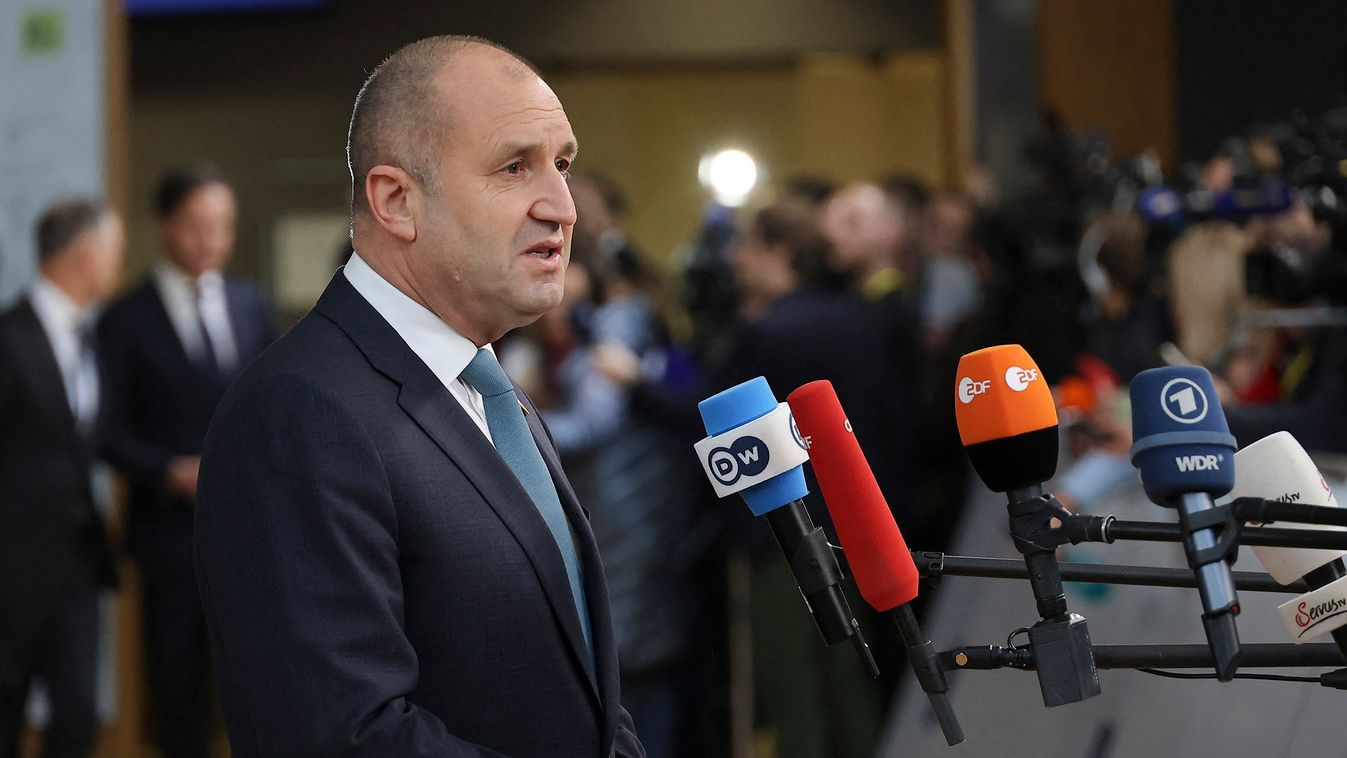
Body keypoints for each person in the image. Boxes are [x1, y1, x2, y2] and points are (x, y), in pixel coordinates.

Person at [193, 36, 645, 756]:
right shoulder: (297, 413)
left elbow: (580, 691)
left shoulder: (493, 388)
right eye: (513, 167)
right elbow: (341, 736)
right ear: (397, 201)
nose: (562, 207)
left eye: (561, 164)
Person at [98, 165, 275, 758]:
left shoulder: (250, 304)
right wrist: (166, 470)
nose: (210, 242)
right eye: (197, 227)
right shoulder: (124, 318)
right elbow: (106, 429)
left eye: (221, 227)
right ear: (164, 226)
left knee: (256, 676)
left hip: (248, 527)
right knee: (177, 683)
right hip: (167, 532)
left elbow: (274, 403)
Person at [0, 198, 123, 758]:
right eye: (114, 249)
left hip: (77, 565)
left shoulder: (90, 338)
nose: (117, 262)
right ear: (85, 252)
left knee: (77, 715)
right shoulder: (9, 338)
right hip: (11, 570)